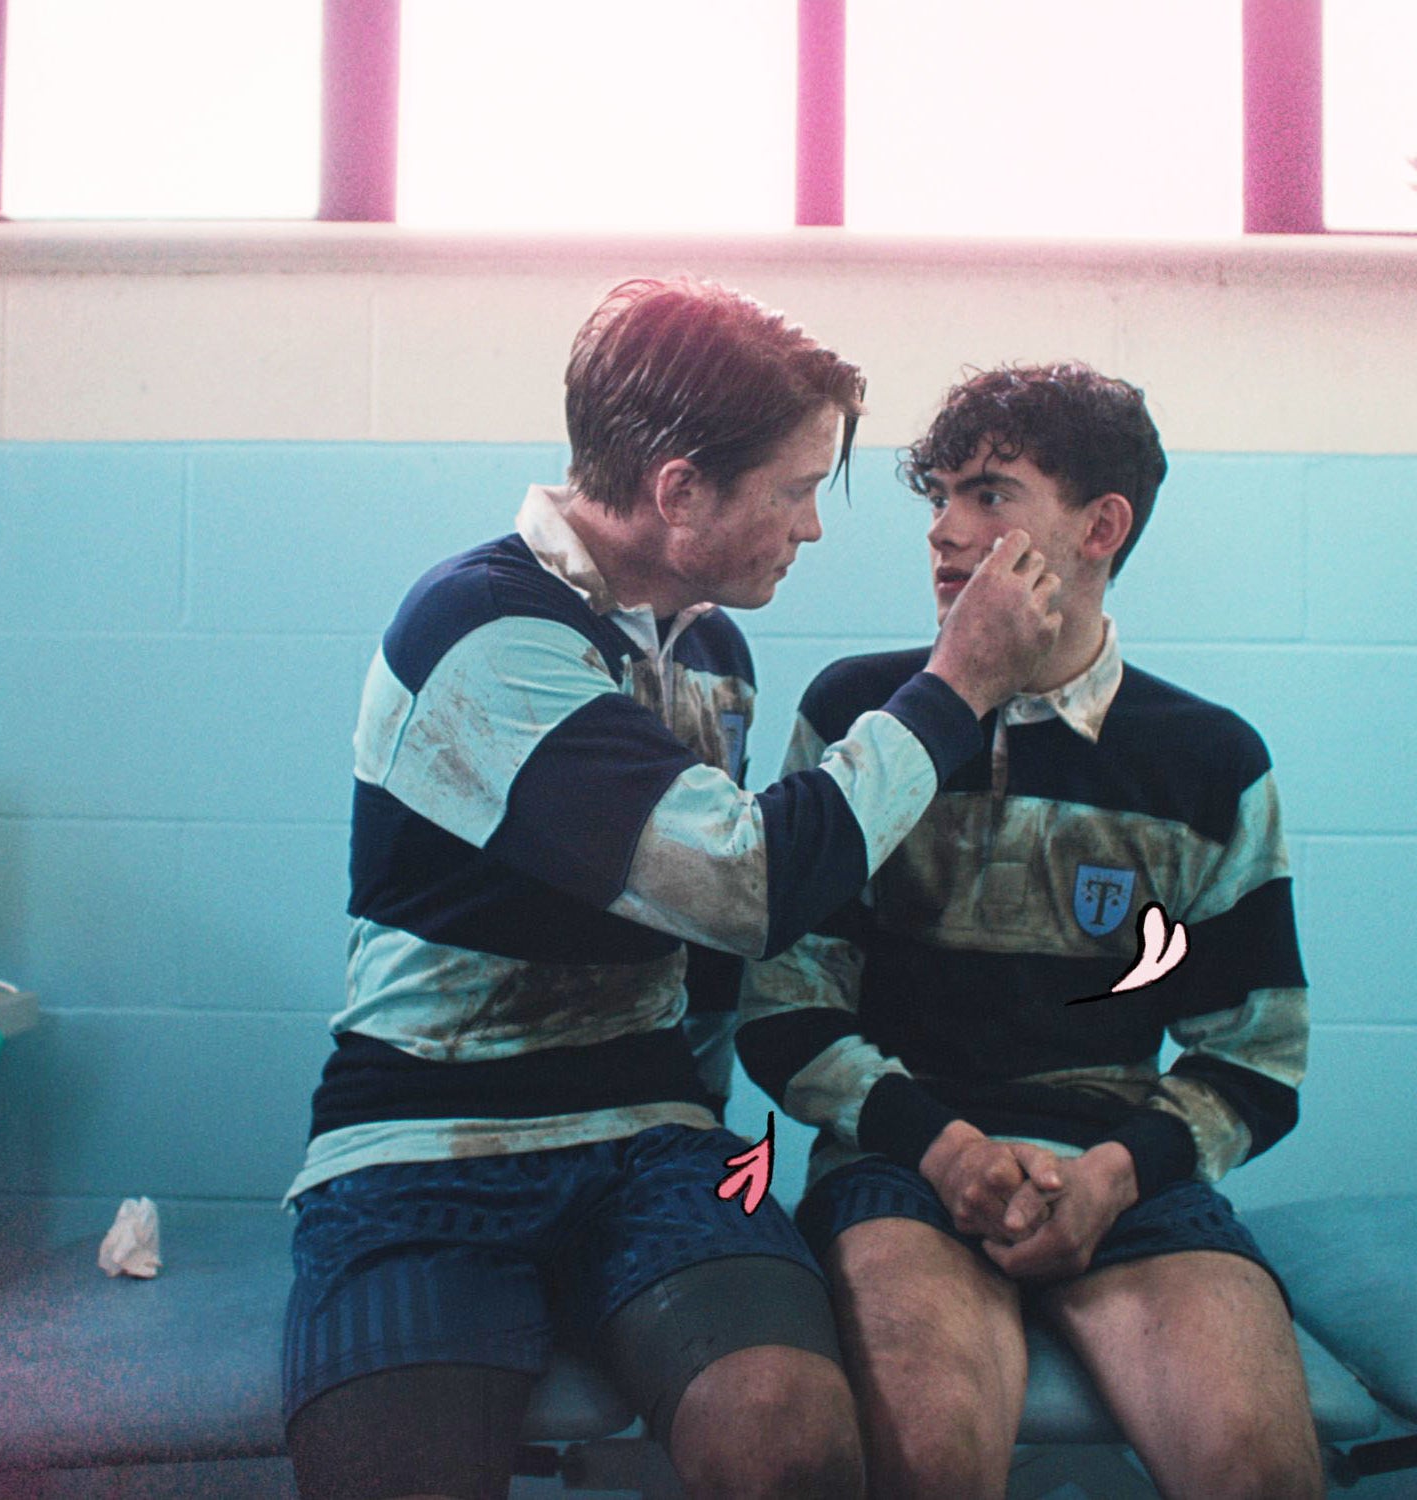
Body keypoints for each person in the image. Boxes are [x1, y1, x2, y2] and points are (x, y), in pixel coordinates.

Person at [279, 278, 1063, 1500]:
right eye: (796, 490)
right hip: (429, 1146)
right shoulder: (480, 632)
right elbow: (748, 888)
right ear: (679, 488)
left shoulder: (707, 646)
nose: (811, 528)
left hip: (652, 1138)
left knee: (795, 1438)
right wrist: (957, 684)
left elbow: (699, 956)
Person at [738, 362, 1320, 1500]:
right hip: (903, 1163)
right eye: (939, 499)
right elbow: (786, 1002)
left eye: (990, 496)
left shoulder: (1207, 761)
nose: (945, 532)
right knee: (928, 1453)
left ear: (1102, 526)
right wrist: (944, 1147)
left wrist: (1114, 1173)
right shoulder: (858, 719)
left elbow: (1257, 1056)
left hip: (1121, 1170)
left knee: (1259, 1471)